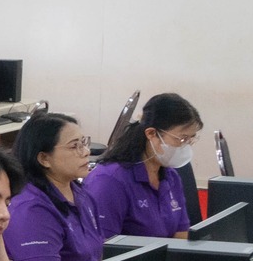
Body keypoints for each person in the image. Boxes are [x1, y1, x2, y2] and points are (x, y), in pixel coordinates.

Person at [84, 93, 202, 241]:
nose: (186, 146)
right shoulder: (109, 181)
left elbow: (180, 234)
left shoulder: (170, 176)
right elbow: (101, 248)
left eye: (191, 139)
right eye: (182, 138)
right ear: (151, 133)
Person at [6, 114, 104, 261]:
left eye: (84, 143)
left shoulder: (82, 194)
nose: (86, 152)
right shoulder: (31, 208)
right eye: (75, 146)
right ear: (44, 159)